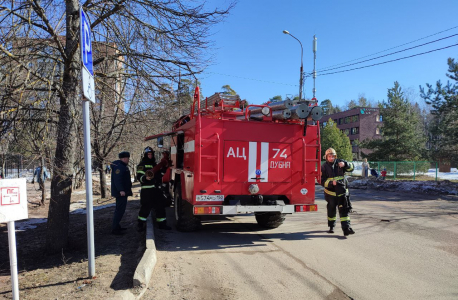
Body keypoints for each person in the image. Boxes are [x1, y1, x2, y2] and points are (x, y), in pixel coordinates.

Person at [321, 148, 356, 236]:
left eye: (333, 156)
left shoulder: (340, 162)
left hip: (342, 192)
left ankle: (346, 229)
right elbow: (322, 181)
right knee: (331, 209)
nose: (331, 158)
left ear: (335, 156)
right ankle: (331, 226)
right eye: (329, 156)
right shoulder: (324, 167)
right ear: (326, 157)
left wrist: (345, 164)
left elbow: (352, 168)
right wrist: (331, 183)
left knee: (344, 210)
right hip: (330, 193)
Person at [136, 147, 171, 231]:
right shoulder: (142, 165)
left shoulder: (155, 165)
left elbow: (159, 175)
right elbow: (139, 176)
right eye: (148, 154)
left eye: (151, 154)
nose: (150, 156)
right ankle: (140, 225)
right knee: (145, 208)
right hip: (147, 190)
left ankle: (162, 224)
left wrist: (164, 168)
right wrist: (145, 178)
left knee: (160, 206)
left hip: (156, 189)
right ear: (145, 155)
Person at [111, 151, 133, 235]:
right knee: (120, 210)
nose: (128, 160)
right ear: (124, 158)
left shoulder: (122, 166)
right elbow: (118, 180)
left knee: (120, 210)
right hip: (121, 193)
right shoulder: (119, 167)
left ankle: (117, 226)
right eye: (127, 158)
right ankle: (115, 228)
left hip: (123, 192)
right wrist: (121, 190)